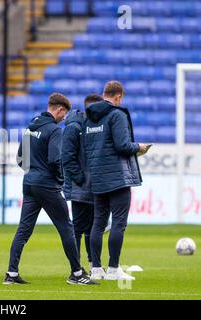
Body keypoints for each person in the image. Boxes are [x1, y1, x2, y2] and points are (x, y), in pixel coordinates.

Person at [4, 93, 98, 285]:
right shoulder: (55, 130)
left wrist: (32, 172)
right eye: (64, 115)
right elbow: (55, 159)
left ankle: (11, 274)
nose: (64, 119)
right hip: (47, 185)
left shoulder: (31, 127)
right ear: (59, 109)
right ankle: (77, 274)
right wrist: (59, 178)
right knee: (67, 228)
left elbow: (20, 157)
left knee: (23, 230)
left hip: (29, 183)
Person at [83, 81, 148, 281]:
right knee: (118, 223)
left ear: (104, 94)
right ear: (118, 96)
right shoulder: (117, 115)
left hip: (97, 177)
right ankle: (113, 269)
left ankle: (95, 269)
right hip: (118, 178)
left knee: (98, 223)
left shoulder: (89, 118)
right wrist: (139, 147)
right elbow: (122, 145)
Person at [62, 94, 103, 270]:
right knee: (78, 228)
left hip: (96, 186)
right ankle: (76, 268)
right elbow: (67, 158)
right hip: (80, 187)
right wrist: (81, 179)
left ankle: (94, 264)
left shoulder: (96, 126)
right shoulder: (74, 127)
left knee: (94, 227)